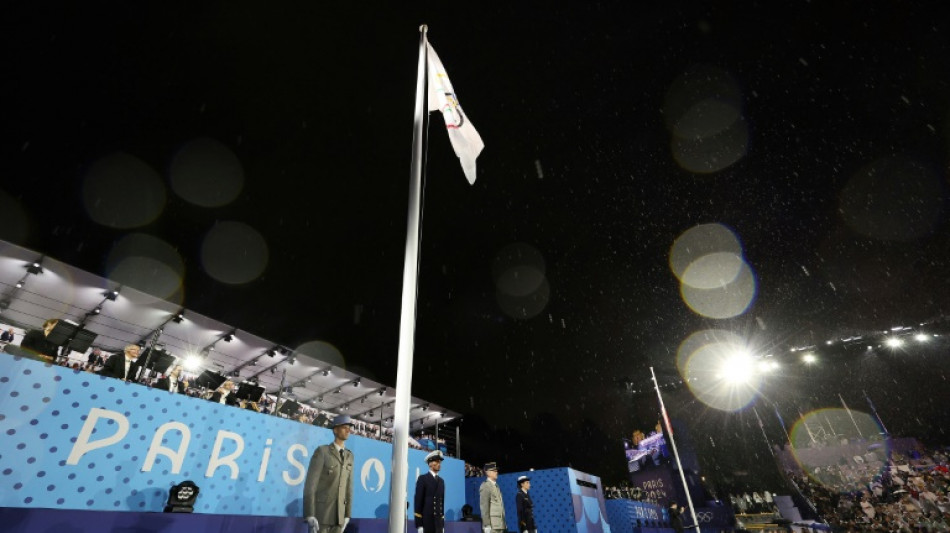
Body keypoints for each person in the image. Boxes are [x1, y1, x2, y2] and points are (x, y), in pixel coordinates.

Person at [303, 414, 355, 533]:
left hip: (339, 517)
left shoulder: (349, 456)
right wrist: (310, 514)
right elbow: (311, 485)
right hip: (321, 514)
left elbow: (349, 487)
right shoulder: (322, 452)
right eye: (344, 427)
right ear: (335, 430)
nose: (348, 430)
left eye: (349, 427)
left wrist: (347, 515)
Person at [415, 450, 446, 533]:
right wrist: (419, 525)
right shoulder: (423, 479)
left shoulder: (441, 481)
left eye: (440, 462)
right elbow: (418, 502)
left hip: (438, 523)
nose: (439, 464)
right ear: (430, 463)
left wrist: (442, 524)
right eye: (437, 461)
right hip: (427, 522)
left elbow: (441, 503)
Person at [479, 462, 506, 533]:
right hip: (492, 525)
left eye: (496, 471)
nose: (496, 472)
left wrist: (503, 523)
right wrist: (486, 525)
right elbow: (484, 507)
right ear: (488, 473)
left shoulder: (497, 486)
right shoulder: (485, 486)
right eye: (494, 471)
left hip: (500, 524)